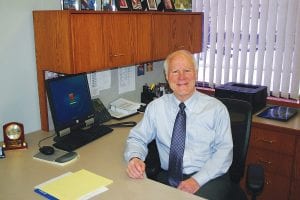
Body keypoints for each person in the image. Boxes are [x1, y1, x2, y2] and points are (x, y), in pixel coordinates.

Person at [124, 50, 233, 199]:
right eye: (175, 71)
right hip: (168, 176)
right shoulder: (156, 107)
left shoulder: (216, 109)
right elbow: (137, 138)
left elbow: (224, 152)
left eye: (187, 70)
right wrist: (135, 158)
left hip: (208, 177)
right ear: (167, 77)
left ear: (195, 73)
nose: (182, 77)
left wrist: (196, 181)